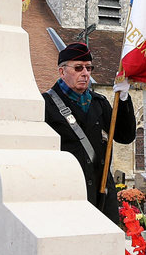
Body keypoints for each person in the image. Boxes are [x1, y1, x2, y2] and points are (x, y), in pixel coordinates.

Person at [42, 42, 136, 225]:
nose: (85, 73)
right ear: (62, 71)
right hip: (68, 192)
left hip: (102, 193)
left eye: (88, 68)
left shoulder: (98, 103)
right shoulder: (46, 104)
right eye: (78, 68)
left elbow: (125, 136)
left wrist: (124, 99)